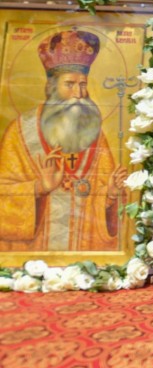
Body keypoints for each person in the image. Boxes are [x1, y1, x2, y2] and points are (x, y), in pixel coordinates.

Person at [0, 30, 128, 252]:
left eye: (83, 84)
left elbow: (105, 198)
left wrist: (110, 196)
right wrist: (40, 187)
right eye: (69, 84)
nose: (78, 93)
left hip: (84, 246)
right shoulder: (20, 132)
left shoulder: (93, 132)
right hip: (32, 252)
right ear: (52, 87)